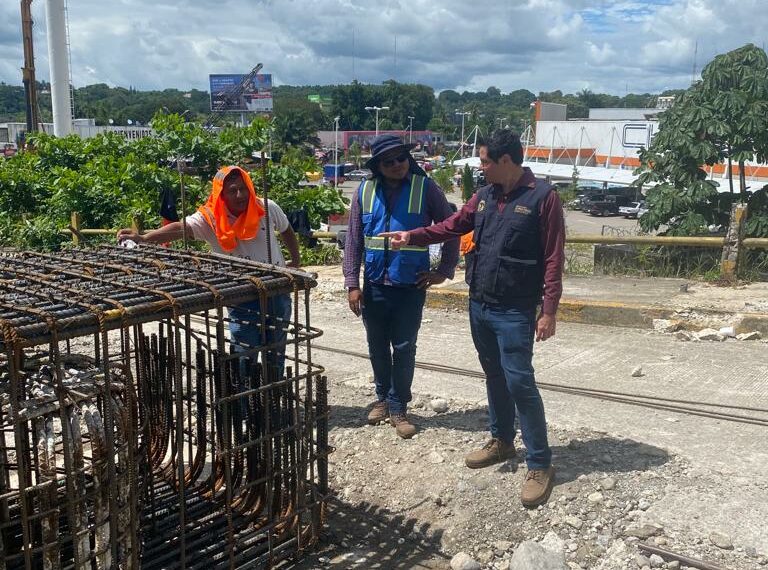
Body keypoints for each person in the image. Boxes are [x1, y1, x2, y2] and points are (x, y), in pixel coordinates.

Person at [379, 129, 565, 507]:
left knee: (520, 382)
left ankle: (541, 463)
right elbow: (450, 226)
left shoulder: (544, 198)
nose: (480, 167)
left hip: (515, 309)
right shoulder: (483, 197)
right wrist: (410, 236)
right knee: (494, 375)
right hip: (480, 303)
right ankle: (501, 441)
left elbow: (553, 258)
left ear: (507, 161)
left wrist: (548, 311)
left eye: (485, 161)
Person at [117, 165, 301, 379]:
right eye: (233, 190)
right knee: (244, 353)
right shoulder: (211, 217)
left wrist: (295, 260)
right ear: (221, 194)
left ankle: (273, 399)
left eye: (243, 188)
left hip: (276, 289)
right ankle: (247, 405)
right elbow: (180, 228)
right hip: (242, 294)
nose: (240, 194)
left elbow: (286, 229)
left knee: (276, 350)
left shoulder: (265, 207)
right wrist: (145, 238)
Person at [343, 134, 459, 439]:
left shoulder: (426, 188)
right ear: (378, 166)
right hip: (375, 285)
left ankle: (398, 406)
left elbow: (453, 229)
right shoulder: (364, 192)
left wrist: (444, 270)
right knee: (376, 345)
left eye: (401, 158)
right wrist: (351, 284)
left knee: (404, 348)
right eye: (389, 161)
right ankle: (382, 397)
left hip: (410, 285)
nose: (397, 165)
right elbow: (353, 240)